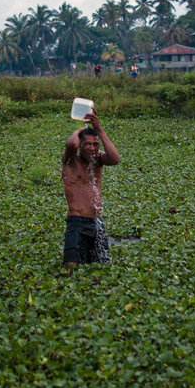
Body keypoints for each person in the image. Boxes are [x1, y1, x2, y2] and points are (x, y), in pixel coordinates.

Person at [61, 107, 120, 268]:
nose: (92, 148)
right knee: (71, 267)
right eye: (87, 144)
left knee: (102, 267)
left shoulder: (98, 159)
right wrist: (82, 128)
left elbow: (115, 159)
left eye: (95, 145)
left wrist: (98, 128)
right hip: (77, 222)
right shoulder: (70, 161)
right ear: (81, 146)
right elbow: (71, 144)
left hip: (96, 222)